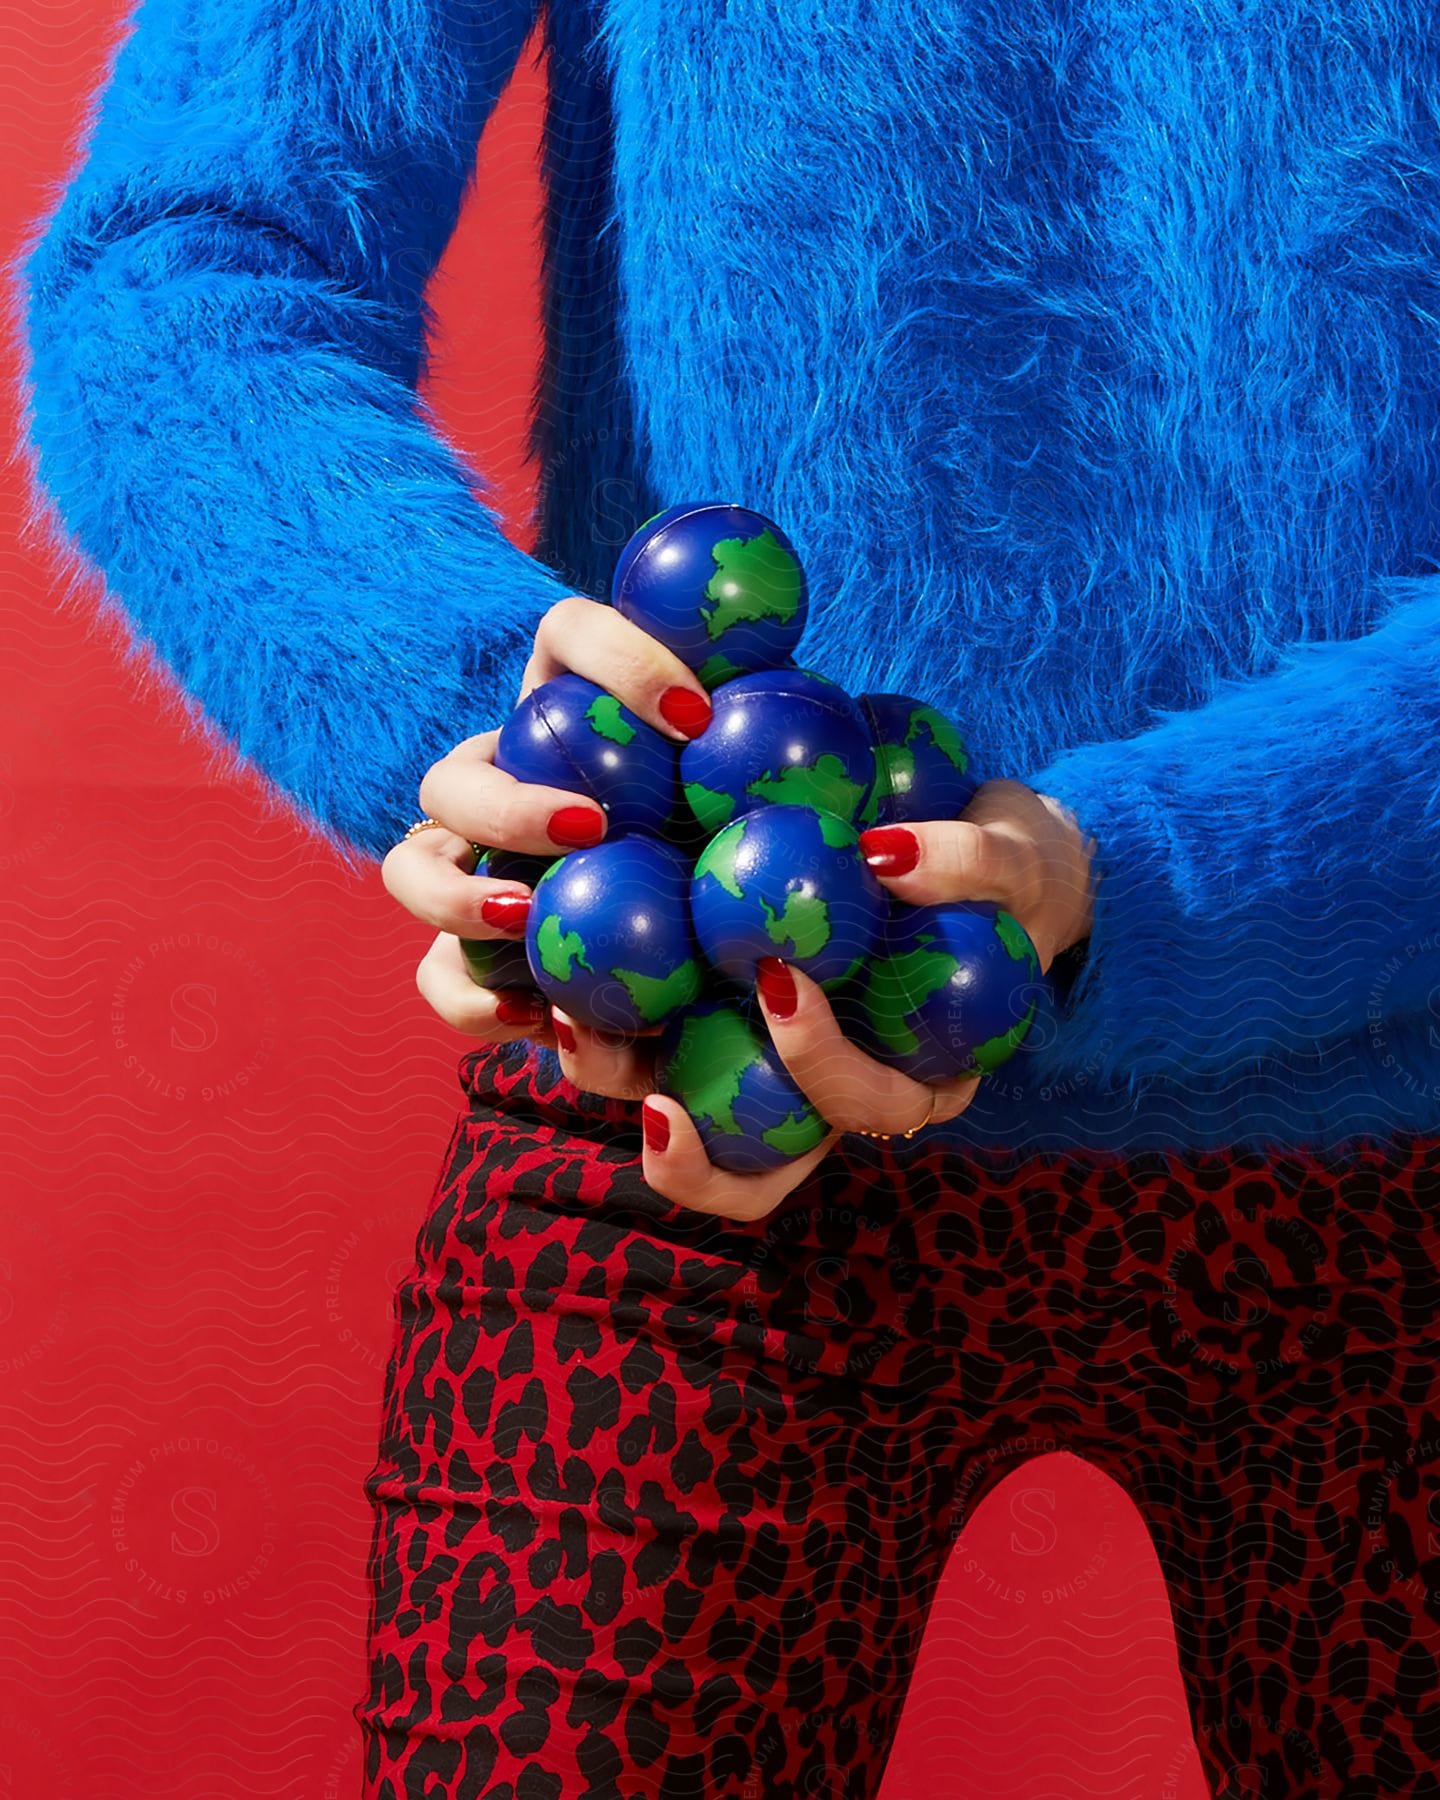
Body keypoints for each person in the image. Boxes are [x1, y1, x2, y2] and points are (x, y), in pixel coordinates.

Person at [15, 0, 1440, 1789]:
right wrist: (518, 748)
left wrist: (1164, 871)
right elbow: (188, 257)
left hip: (1400, 1124)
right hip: (690, 1106)